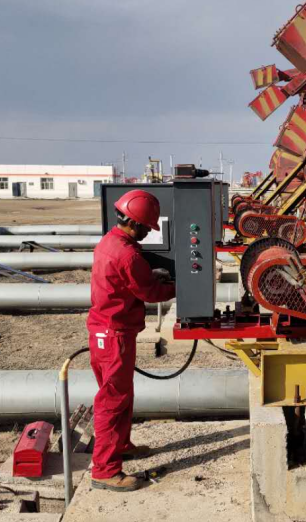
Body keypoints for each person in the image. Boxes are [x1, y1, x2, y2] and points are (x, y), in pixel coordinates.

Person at [87, 189, 175, 492]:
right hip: (116, 335)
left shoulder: (109, 242)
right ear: (134, 223)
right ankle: (105, 471)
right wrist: (183, 287)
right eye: (146, 228)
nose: (148, 233)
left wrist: (151, 274)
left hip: (104, 331)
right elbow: (150, 293)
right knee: (111, 402)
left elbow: (131, 280)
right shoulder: (128, 254)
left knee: (120, 395)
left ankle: (121, 445)